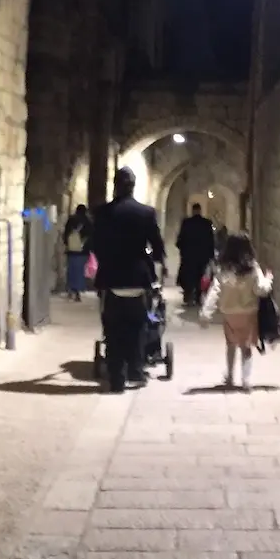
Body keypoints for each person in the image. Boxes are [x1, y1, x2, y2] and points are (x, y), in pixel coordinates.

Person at [92, 166, 166, 393]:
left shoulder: (103, 213)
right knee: (137, 325)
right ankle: (135, 369)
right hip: (138, 279)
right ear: (133, 186)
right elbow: (158, 246)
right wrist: (152, 260)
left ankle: (117, 378)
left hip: (111, 279)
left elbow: (95, 244)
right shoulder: (146, 213)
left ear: (115, 185)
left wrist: (107, 259)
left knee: (112, 328)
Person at [200, 231, 273, 391]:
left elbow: (215, 291)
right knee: (246, 347)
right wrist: (268, 279)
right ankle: (246, 380)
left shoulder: (224, 270)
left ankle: (230, 376)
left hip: (229, 313)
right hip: (248, 313)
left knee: (231, 344)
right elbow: (261, 289)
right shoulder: (253, 268)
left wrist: (206, 313)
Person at [176, 202, 216, 306]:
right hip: (202, 256)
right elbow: (211, 241)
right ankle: (198, 297)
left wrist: (182, 250)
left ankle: (188, 295)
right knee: (200, 276)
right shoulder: (207, 223)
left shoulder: (186, 223)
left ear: (193, 210)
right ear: (200, 210)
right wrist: (211, 255)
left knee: (189, 276)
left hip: (189, 256)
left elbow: (181, 239)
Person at [62, 204, 91, 301]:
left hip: (72, 251)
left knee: (71, 270)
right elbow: (91, 235)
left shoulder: (71, 219)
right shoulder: (87, 221)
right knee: (80, 271)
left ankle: (71, 289)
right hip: (83, 251)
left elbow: (65, 234)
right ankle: (78, 292)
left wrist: (67, 244)